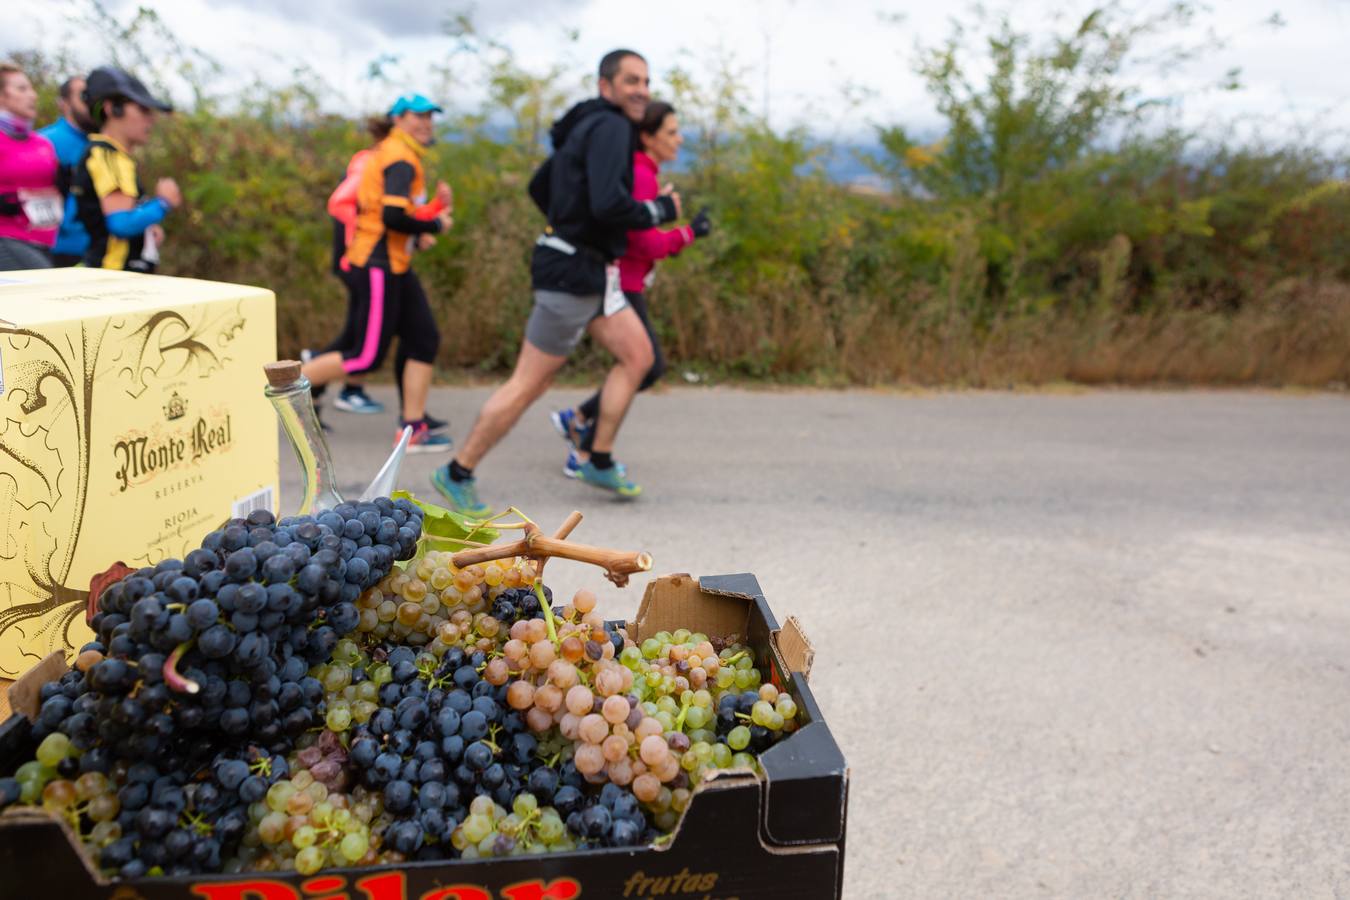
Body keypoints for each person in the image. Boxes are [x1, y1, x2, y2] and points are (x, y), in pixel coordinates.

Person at [431, 49, 683, 515]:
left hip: (589, 269)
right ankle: (457, 471)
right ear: (606, 86)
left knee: (639, 357)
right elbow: (609, 203)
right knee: (528, 384)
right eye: (631, 80)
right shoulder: (611, 127)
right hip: (570, 275)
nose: (642, 90)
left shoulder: (584, 126)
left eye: (646, 81)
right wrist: (659, 211)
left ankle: (598, 457)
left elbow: (538, 187)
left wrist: (570, 221)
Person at [550, 100, 711, 477]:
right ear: (647, 136)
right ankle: (585, 447)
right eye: (671, 132)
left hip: (625, 281)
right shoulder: (641, 174)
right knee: (645, 364)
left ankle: (578, 421)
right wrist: (690, 233)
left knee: (644, 364)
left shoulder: (644, 172)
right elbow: (646, 244)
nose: (679, 139)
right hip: (620, 283)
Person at [299, 94, 453, 453]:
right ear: (398, 119)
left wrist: (430, 217)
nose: (426, 123)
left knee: (424, 338)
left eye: (430, 117)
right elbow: (392, 218)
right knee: (365, 355)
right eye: (418, 116)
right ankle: (280, 389)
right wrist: (438, 223)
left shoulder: (397, 153)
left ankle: (412, 429)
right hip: (377, 265)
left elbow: (398, 215)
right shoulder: (399, 157)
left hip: (394, 263)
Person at [71, 66, 180, 272]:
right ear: (112, 109)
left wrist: (146, 228)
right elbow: (121, 225)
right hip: (109, 277)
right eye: (143, 109)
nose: (151, 119)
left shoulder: (114, 156)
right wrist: (162, 204)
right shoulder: (108, 156)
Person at [0, 62, 61, 271]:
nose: (33, 95)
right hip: (6, 238)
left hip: (45, 242)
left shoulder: (42, 143)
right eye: (22, 89)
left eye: (31, 88)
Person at [38, 75, 95, 266]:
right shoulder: (44, 143)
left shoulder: (103, 143)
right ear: (63, 103)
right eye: (83, 96)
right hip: (56, 252)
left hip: (98, 250)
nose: (89, 102)